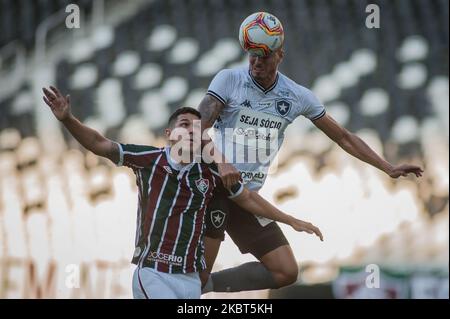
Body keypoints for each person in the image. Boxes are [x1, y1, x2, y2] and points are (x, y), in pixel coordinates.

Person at [199, 12, 424, 294]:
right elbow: (195, 128)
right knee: (195, 274)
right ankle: (193, 286)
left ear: (280, 54)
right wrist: (221, 163)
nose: (256, 61)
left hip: (247, 198)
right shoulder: (229, 80)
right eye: (251, 54)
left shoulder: (297, 95)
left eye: (264, 55)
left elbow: (343, 137)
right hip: (212, 189)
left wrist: (387, 167)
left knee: (285, 270)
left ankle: (203, 288)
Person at [42, 86, 323, 299]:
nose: (191, 130)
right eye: (184, 124)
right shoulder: (149, 159)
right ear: (169, 133)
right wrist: (68, 120)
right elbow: (99, 144)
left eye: (196, 126)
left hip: (190, 281)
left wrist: (290, 220)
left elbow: (247, 198)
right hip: (154, 274)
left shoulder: (211, 173)